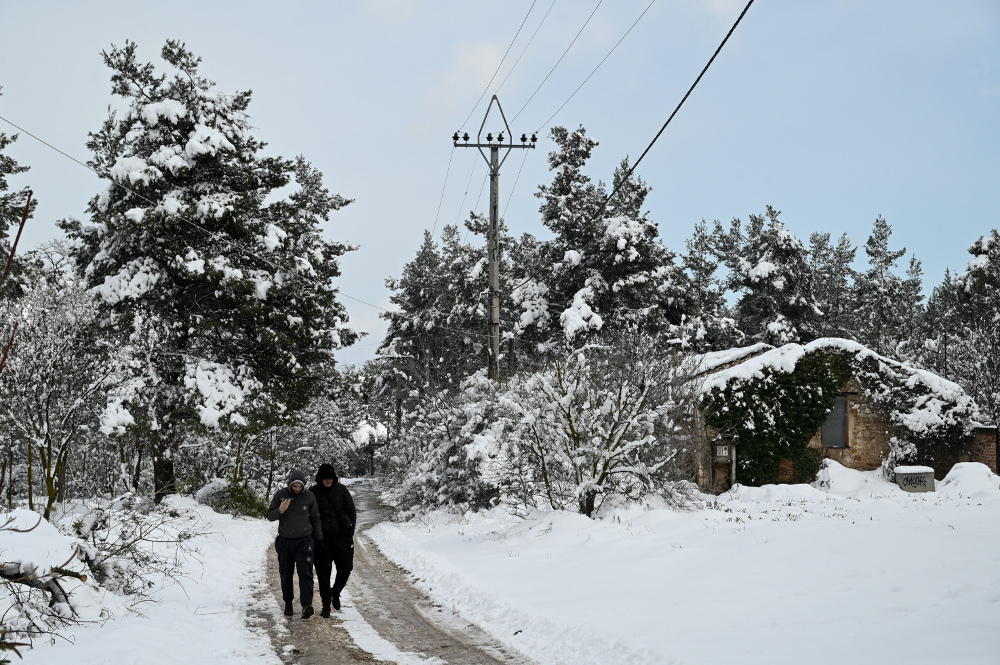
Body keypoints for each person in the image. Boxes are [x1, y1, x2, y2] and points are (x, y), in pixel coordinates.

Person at [267, 469, 322, 619]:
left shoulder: (309, 496)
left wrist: (319, 539)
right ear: (290, 484)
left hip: (304, 540)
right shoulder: (281, 495)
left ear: (303, 485)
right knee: (286, 573)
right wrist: (280, 510)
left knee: (305, 573)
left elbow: (316, 518)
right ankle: (288, 603)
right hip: (285, 541)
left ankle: (306, 605)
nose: (297, 489)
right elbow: (270, 516)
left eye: (300, 486)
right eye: (295, 486)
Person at [309, 463, 356, 617]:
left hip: (342, 537)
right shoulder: (313, 492)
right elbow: (308, 515)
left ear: (334, 478)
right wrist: (314, 537)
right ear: (320, 478)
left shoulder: (342, 490)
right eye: (325, 478)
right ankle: (326, 606)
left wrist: (350, 531)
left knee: (346, 568)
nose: (328, 480)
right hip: (322, 540)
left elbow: (351, 510)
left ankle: (335, 592)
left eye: (330, 477)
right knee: (323, 573)